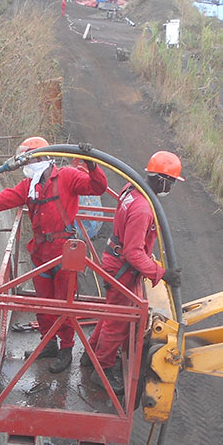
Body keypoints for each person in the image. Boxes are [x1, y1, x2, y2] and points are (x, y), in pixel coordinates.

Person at [0, 137, 108, 373]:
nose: (24, 165)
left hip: (64, 253)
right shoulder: (29, 186)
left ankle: (66, 349)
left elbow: (97, 187)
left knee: (65, 304)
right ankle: (49, 343)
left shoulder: (66, 177)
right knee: (42, 304)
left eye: (27, 158)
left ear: (41, 157)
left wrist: (92, 164)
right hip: (41, 253)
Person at [84, 151, 184, 393]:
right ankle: (102, 370)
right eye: (170, 183)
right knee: (118, 321)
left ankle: (90, 355)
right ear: (161, 179)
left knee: (112, 313)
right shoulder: (143, 209)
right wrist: (161, 273)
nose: (170, 188)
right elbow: (133, 253)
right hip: (122, 268)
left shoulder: (131, 189)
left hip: (115, 261)